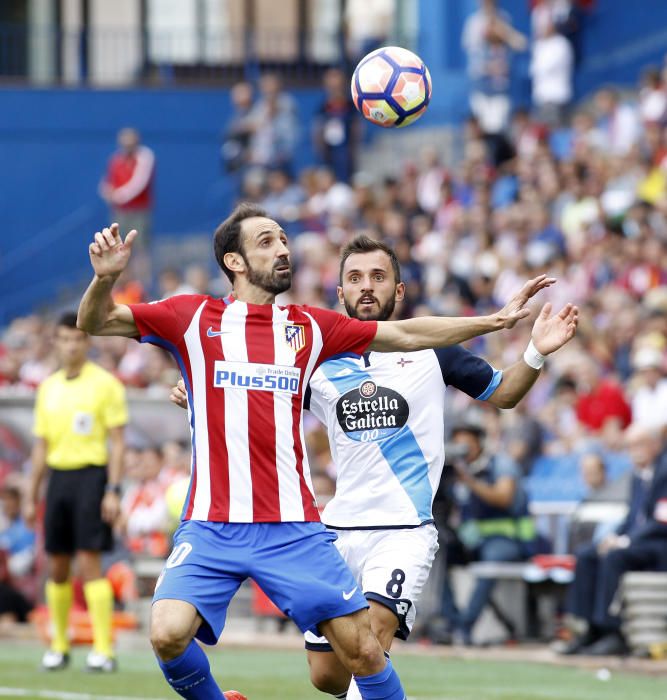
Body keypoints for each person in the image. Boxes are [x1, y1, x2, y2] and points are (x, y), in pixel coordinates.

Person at [76, 204, 553, 700]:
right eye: (266, 241)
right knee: (170, 634)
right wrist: (105, 280)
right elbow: (97, 320)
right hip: (217, 522)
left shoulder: (311, 329)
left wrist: (497, 322)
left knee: (366, 652)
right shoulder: (192, 317)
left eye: (284, 239)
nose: (283, 248)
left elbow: (408, 333)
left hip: (302, 528)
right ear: (234, 262)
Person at [25, 312, 128, 672]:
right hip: (58, 479)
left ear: (88, 342)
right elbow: (40, 446)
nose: (71, 345)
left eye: (78, 339)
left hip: (91, 477)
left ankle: (103, 650)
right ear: (56, 341)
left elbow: (117, 443)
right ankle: (59, 645)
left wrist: (113, 489)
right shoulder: (48, 387)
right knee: (57, 565)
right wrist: (30, 492)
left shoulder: (106, 385)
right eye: (65, 339)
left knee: (89, 563)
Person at [560, 424, 667, 656]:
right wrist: (615, 536)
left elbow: (661, 521)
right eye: (630, 446)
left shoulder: (664, 472)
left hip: (660, 545)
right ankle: (589, 628)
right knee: (587, 554)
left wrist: (625, 541)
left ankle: (612, 631)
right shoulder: (637, 476)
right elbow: (632, 517)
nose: (634, 452)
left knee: (614, 557)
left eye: (640, 445)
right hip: (639, 542)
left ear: (656, 445)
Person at [439, 413, 539, 645]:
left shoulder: (501, 463)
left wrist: (470, 482)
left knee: (492, 557)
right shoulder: (454, 470)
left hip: (507, 537)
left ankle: (465, 625)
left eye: (467, 444)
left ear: (479, 442)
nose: (462, 449)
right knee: (437, 554)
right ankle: (451, 620)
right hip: (473, 539)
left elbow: (504, 497)